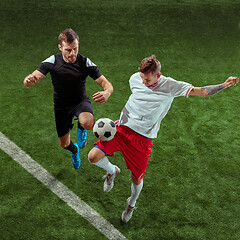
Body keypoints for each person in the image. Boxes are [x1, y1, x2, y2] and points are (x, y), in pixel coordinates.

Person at [88, 55, 239, 223]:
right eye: (142, 78)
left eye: (147, 79)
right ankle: (112, 171)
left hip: (143, 140)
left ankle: (131, 203)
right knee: (93, 156)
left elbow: (202, 91)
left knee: (137, 178)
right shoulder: (135, 79)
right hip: (122, 131)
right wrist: (122, 121)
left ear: (158, 76)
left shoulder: (170, 86)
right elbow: (136, 102)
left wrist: (224, 84)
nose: (143, 81)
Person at [23, 28, 113, 170]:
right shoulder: (52, 61)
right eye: (68, 50)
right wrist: (29, 81)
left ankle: (81, 127)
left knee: (88, 122)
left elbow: (106, 84)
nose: (72, 54)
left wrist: (107, 92)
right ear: (60, 47)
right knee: (64, 144)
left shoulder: (84, 62)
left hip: (80, 101)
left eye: (75, 49)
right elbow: (34, 76)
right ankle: (74, 150)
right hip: (61, 106)